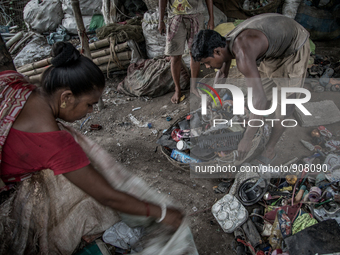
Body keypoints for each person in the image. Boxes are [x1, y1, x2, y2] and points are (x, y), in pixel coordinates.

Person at [0, 42, 183, 252]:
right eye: (89, 104)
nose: (91, 111)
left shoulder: (13, 83)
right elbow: (107, 195)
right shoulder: (55, 142)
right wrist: (161, 213)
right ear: (66, 98)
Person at [191, 13, 310, 164]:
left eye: (207, 62)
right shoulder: (225, 44)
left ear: (217, 52)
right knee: (264, 92)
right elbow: (221, 72)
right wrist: (211, 98)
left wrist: (247, 139)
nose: (207, 66)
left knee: (284, 108)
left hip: (293, 47)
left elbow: (258, 100)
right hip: (275, 47)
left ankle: (270, 149)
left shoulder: (243, 54)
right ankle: (261, 124)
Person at [158, 0, 214, 104]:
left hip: (196, 16)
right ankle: (177, 89)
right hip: (176, 17)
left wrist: (211, 18)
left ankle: (193, 87)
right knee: (175, 56)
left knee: (195, 54)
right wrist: (160, 20)